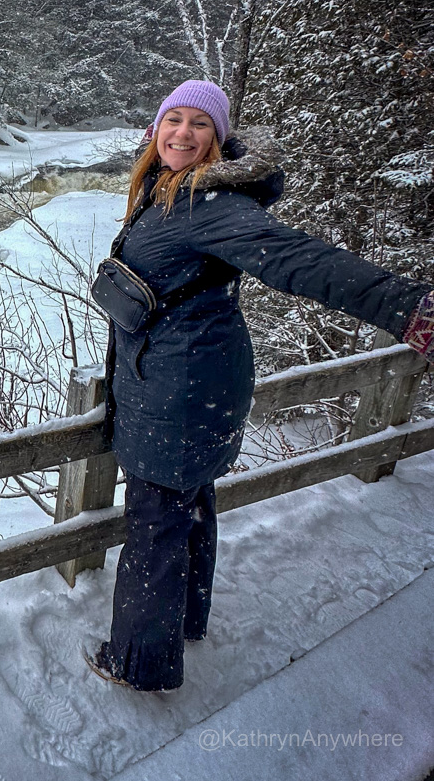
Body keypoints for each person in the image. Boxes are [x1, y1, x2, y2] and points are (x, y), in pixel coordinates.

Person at [85, 79, 434, 692]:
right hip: (192, 379)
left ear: (219, 139)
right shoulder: (166, 193)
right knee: (189, 506)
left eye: (200, 124)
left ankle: (139, 663)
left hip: (178, 392)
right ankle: (185, 621)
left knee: (155, 526)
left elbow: (302, 259)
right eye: (174, 120)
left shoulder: (211, 206)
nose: (183, 134)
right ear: (154, 131)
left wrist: (407, 308)